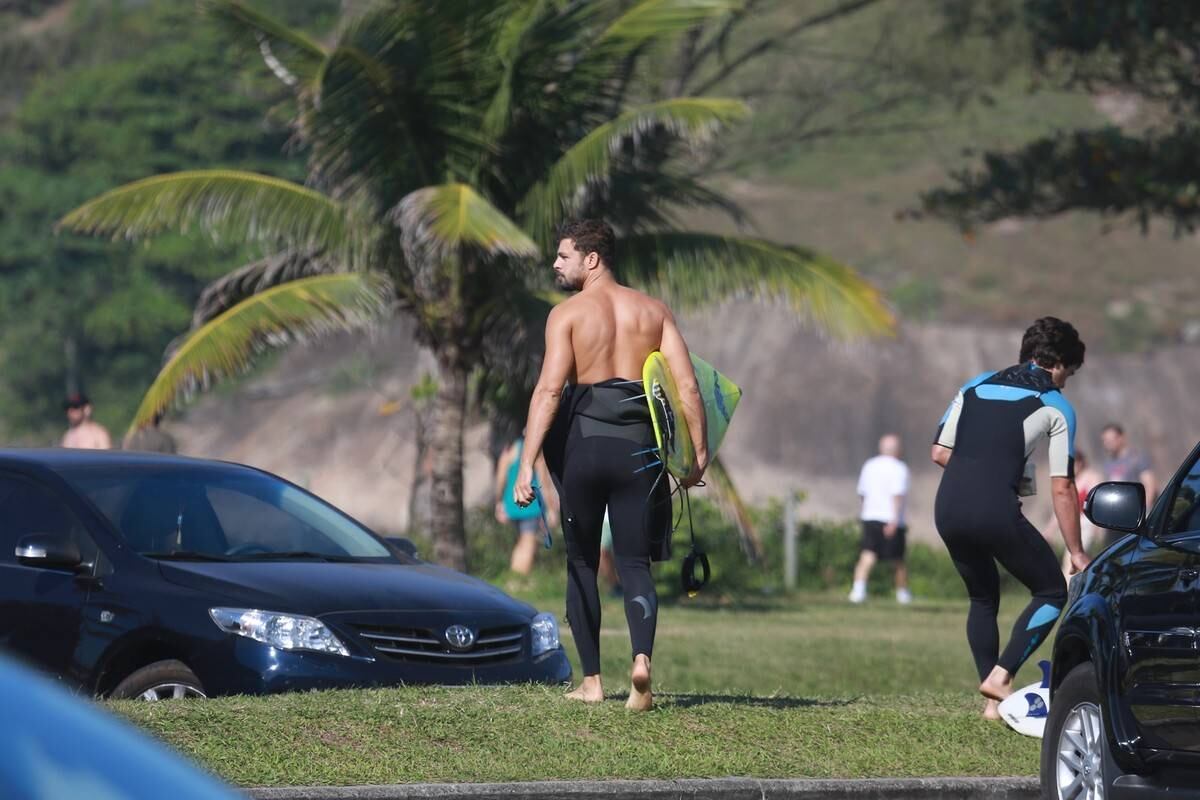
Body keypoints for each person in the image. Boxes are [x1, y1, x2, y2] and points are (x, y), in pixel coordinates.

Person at [512, 219, 707, 711]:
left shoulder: (567, 315)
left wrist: (527, 463)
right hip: (640, 452)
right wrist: (697, 457)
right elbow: (686, 388)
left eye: (563, 256)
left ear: (591, 258)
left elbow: (550, 391)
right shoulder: (654, 311)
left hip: (586, 447)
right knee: (635, 563)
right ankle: (642, 660)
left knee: (581, 561)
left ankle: (593, 681)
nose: (556, 264)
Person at [931, 316, 1091, 720]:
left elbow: (939, 452)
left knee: (982, 597)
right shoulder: (1055, 405)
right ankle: (1001, 677)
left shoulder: (976, 383)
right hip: (993, 510)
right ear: (1058, 365)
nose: (1066, 382)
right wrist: (1077, 551)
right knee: (1052, 591)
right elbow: (1063, 487)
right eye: (1069, 374)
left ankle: (992, 703)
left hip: (947, 506)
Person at [848, 434, 913, 605]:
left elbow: (862, 493)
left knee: (867, 555)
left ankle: (858, 591)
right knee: (898, 559)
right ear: (897, 450)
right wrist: (894, 520)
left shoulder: (869, 466)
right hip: (891, 519)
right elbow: (897, 495)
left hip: (870, 517)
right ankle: (902, 593)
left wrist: (866, 511)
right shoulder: (900, 468)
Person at [493, 438, 558, 575]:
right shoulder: (534, 450)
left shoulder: (508, 450)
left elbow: (500, 479)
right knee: (528, 543)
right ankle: (518, 580)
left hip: (511, 504)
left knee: (521, 542)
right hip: (530, 504)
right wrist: (551, 508)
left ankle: (514, 578)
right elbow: (543, 483)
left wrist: (499, 503)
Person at [1039, 448, 1103, 578]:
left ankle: (1070, 589)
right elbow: (1060, 512)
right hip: (1073, 525)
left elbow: (1098, 504)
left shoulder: (1091, 477)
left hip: (1086, 524)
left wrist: (1098, 526)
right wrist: (1049, 532)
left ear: (1080, 462)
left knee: (1072, 559)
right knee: (1076, 559)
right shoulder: (1066, 483)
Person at [1101, 423, 1158, 505]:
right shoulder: (1108, 465)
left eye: (1110, 439)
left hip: (1139, 507)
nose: (1107, 443)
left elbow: (1150, 485)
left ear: (1121, 437)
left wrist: (1145, 508)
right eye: (1105, 440)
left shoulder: (1137, 458)